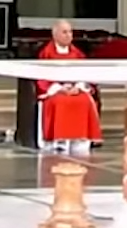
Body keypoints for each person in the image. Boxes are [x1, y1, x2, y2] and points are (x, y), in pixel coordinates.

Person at [36, 20, 101, 154]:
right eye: (64, 32)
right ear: (55, 34)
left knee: (84, 100)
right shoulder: (46, 53)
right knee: (61, 101)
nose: (68, 35)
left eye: (70, 32)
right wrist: (59, 88)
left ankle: (81, 140)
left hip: (75, 89)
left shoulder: (78, 54)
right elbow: (41, 76)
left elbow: (85, 73)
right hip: (56, 91)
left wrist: (78, 86)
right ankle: (60, 140)